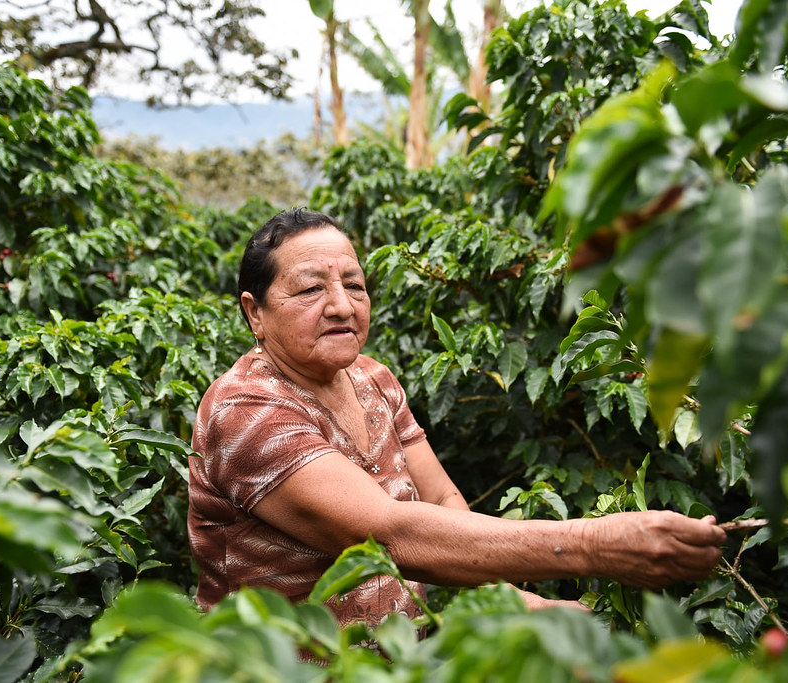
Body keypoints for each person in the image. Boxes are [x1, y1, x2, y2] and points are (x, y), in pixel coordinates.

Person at [187, 208, 725, 628]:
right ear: (254, 312)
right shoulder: (246, 409)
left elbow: (442, 501)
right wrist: (596, 545)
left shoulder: (373, 379)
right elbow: (392, 535)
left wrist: (512, 600)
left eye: (354, 285)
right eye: (310, 289)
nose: (343, 306)